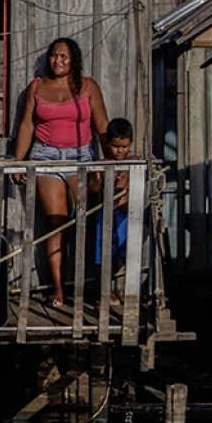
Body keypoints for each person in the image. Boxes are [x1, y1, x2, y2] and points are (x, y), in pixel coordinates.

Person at [12, 37, 109, 307]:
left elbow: (102, 126)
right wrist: (18, 161)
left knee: (85, 223)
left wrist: (112, 162)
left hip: (80, 157)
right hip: (45, 156)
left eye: (64, 56)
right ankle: (58, 287)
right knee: (56, 223)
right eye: (54, 56)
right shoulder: (37, 87)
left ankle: (99, 286)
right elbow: (26, 127)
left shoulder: (88, 86)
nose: (58, 60)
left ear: (73, 60)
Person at [89, 118, 136, 304]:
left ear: (130, 144)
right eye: (116, 146)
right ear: (108, 144)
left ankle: (132, 292)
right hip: (106, 214)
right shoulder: (102, 164)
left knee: (128, 251)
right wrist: (102, 181)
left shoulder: (135, 163)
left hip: (126, 214)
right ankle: (105, 291)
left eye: (124, 146)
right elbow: (91, 189)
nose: (120, 151)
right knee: (103, 253)